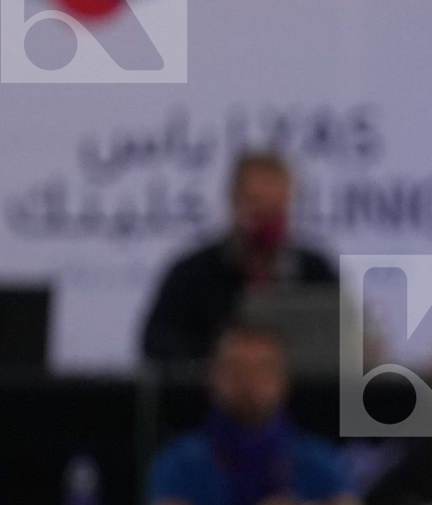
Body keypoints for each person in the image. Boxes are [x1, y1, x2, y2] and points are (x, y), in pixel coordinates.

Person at [149, 321, 363, 505]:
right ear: (214, 377)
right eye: (236, 369)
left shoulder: (314, 455)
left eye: (262, 369)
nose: (248, 382)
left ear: (283, 380)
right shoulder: (180, 460)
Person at [140, 151, 337, 364]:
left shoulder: (315, 272)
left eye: (276, 209)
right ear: (234, 202)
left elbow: (347, 341)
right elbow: (157, 343)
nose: (266, 219)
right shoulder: (191, 274)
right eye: (257, 205)